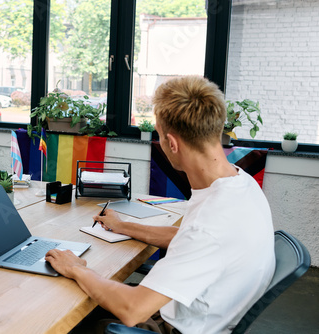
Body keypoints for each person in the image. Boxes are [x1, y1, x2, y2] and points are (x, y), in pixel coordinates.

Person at [45, 76, 275, 334]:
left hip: (174, 326)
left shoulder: (210, 223)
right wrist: (124, 226)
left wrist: (78, 269)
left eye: (160, 136)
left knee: (56, 312)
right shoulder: (240, 184)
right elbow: (188, 238)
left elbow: (133, 310)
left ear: (172, 143)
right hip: (196, 308)